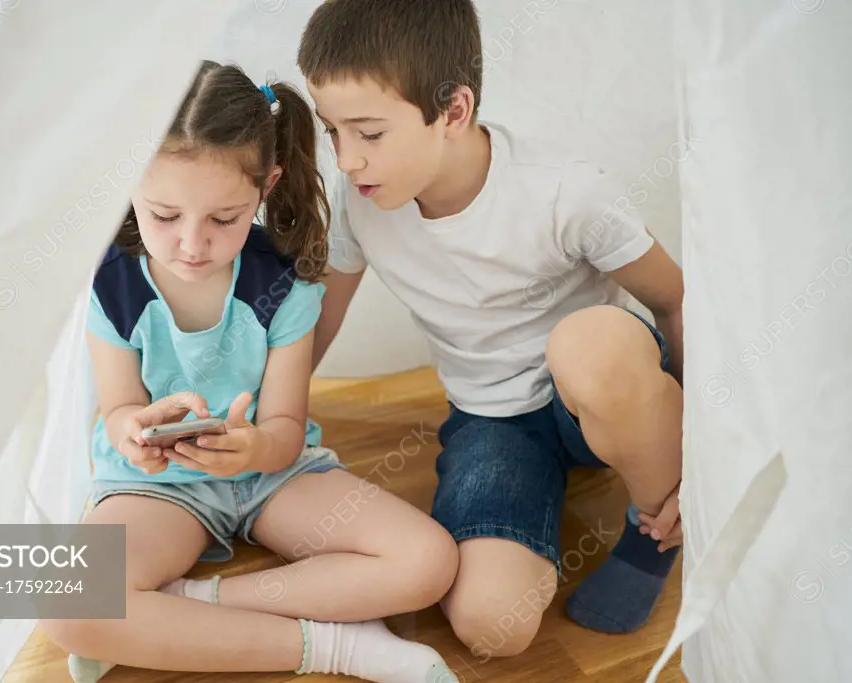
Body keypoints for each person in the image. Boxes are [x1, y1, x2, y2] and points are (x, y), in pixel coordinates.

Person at [39, 60, 461, 683]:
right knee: (66, 602)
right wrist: (136, 433)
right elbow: (119, 409)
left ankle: (184, 610)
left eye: (223, 219)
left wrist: (255, 447)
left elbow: (287, 427)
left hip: (274, 474)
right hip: (160, 487)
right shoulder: (111, 281)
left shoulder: (282, 280)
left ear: (267, 187)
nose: (191, 243)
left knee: (429, 562)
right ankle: (341, 648)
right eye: (164, 215)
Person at [297, 0, 686, 659]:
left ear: (453, 110)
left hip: (592, 389)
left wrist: (694, 451)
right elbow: (311, 334)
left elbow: (678, 301)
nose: (346, 161)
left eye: (368, 133)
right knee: (490, 624)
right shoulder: (359, 208)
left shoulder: (563, 193)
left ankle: (657, 529)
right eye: (331, 131)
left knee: (588, 346)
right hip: (494, 422)